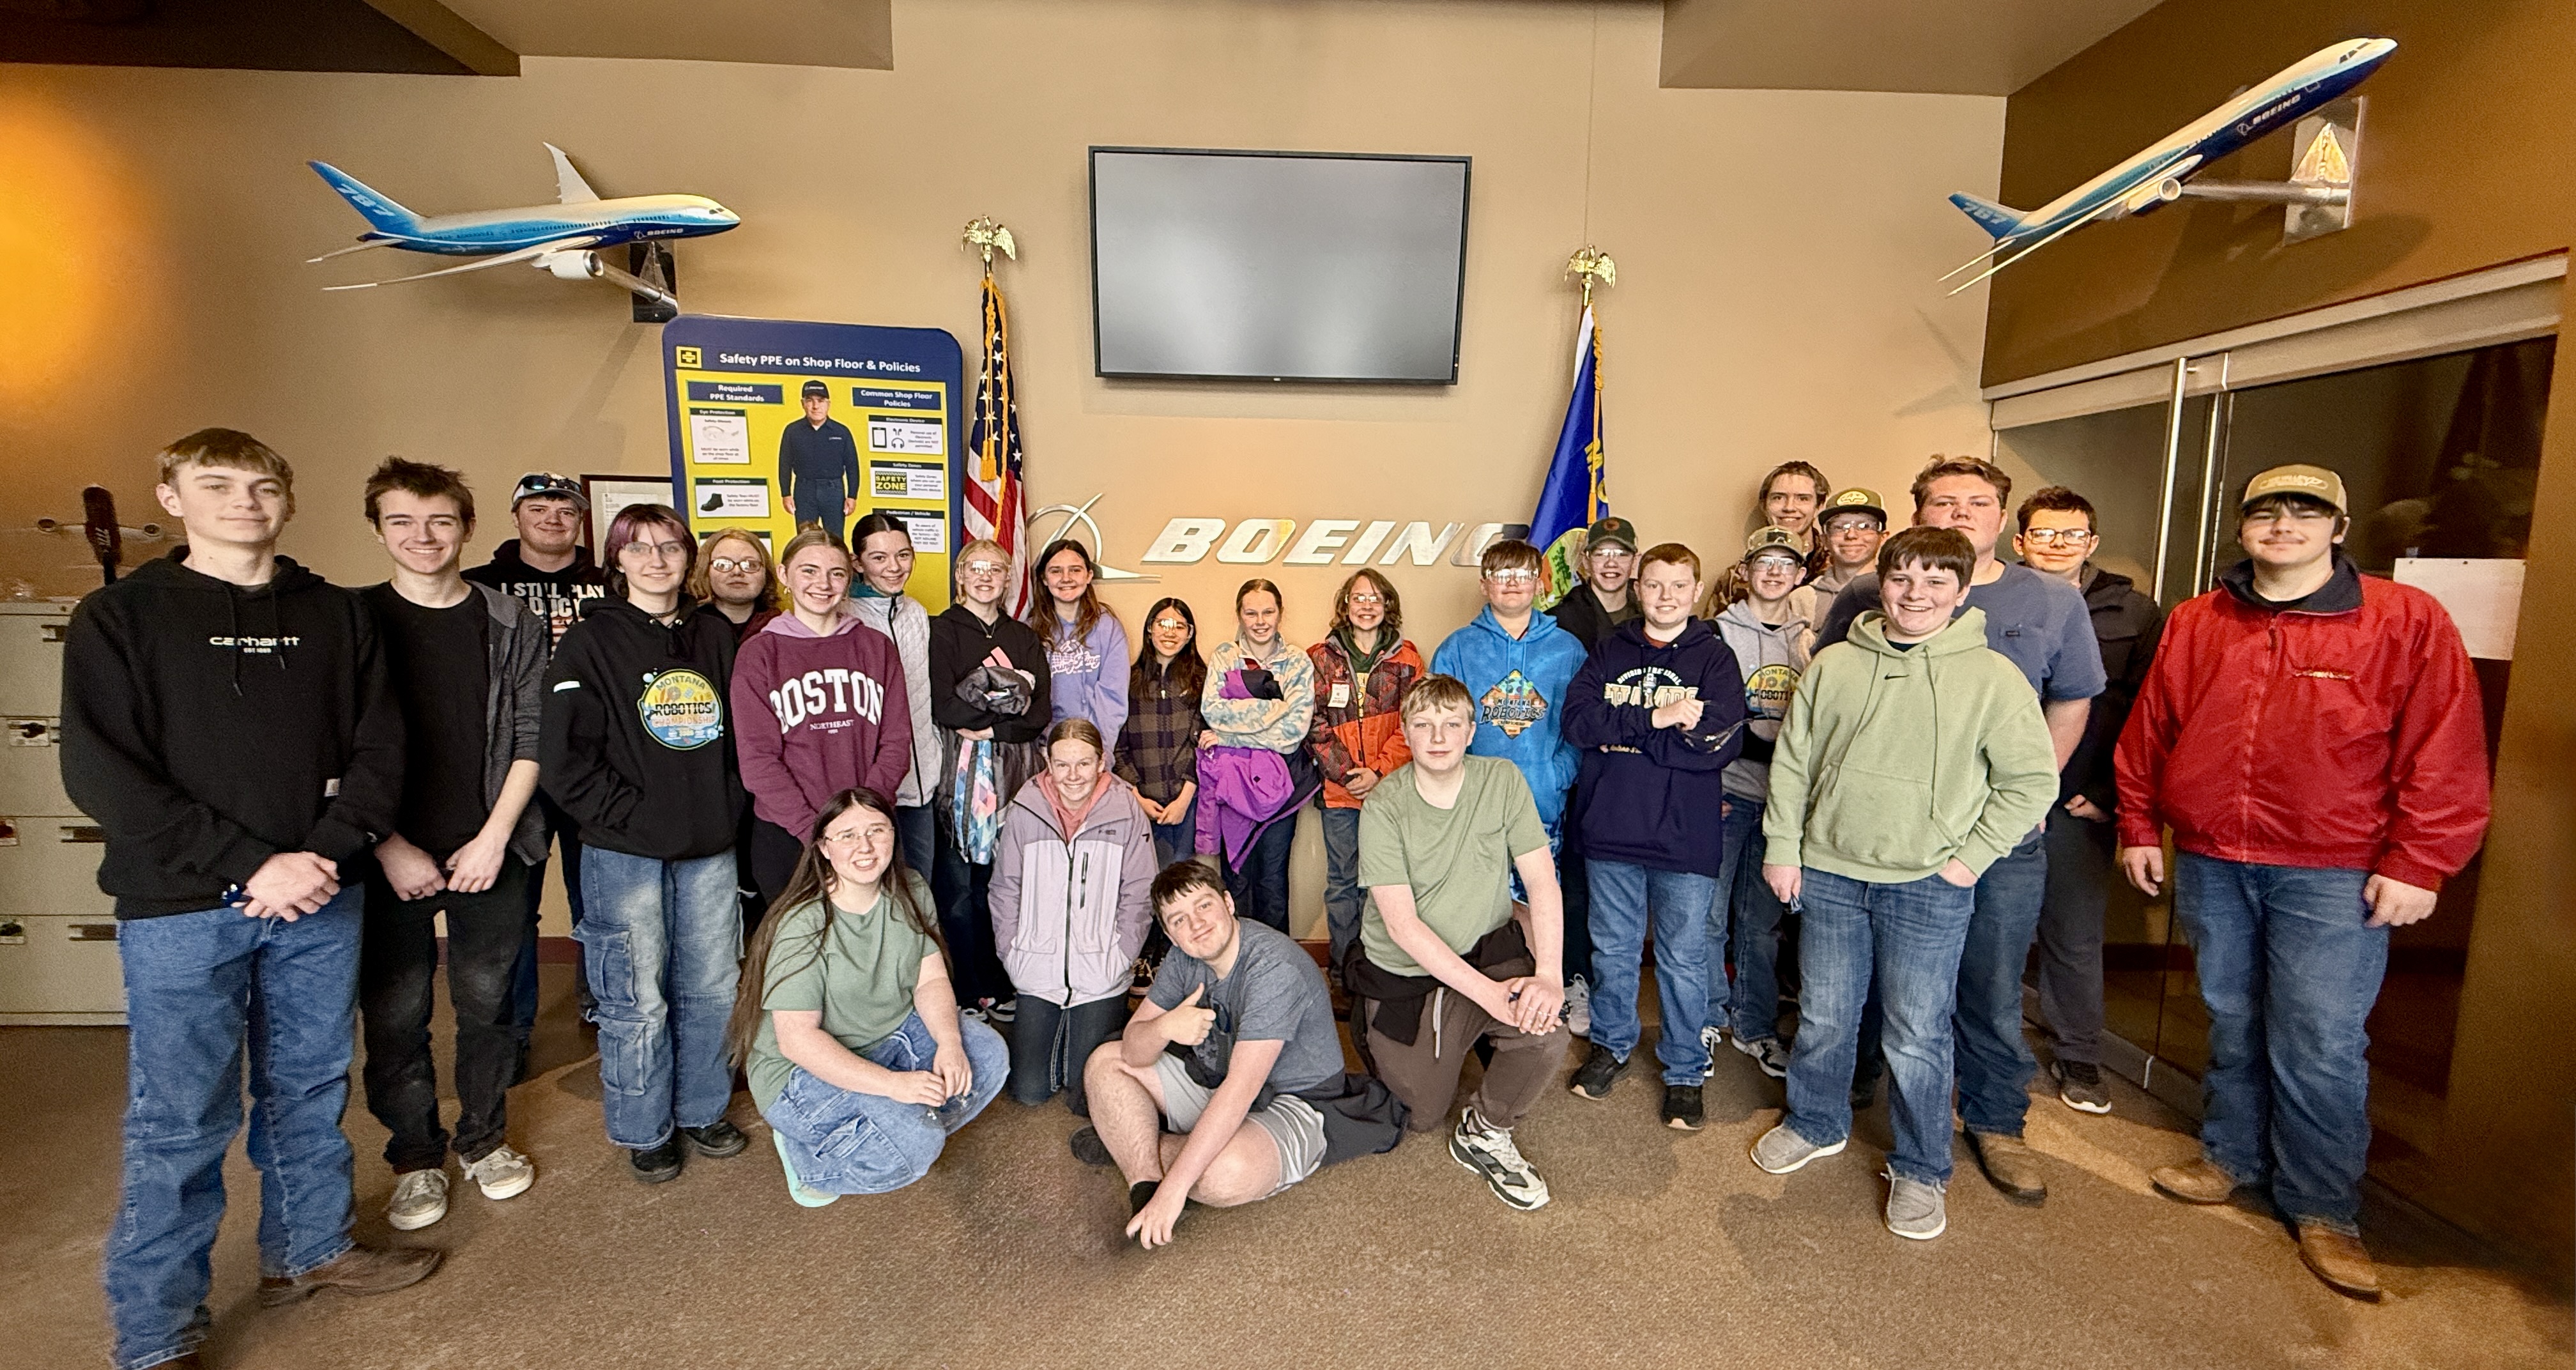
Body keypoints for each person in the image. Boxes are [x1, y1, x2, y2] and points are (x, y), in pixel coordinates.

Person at [63, 429, 434, 1370]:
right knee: (180, 1115)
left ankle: (309, 1249)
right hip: (182, 906)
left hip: (321, 896)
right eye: (218, 484)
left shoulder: (335, 614)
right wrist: (252, 865)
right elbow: (105, 774)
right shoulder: (121, 615)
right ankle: (157, 1331)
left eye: (264, 486)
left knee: (309, 1085)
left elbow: (381, 750)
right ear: (172, 496)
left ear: (288, 499)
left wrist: (321, 855)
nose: (244, 502)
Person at [2116, 465, 2490, 1300]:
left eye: (2306, 511)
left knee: (2320, 1037)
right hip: (2215, 854)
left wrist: (2420, 859)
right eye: (2267, 511)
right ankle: (2231, 1156)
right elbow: (2153, 729)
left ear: (2339, 527)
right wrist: (2139, 824)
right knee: (2232, 1014)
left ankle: (2323, 1205)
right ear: (2243, 526)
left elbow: (2446, 744)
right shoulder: (2200, 620)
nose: (2284, 524)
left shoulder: (2404, 619)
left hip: (2334, 868)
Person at [1750, 527, 2058, 1242]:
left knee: (1917, 1032)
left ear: (1961, 591)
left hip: (1929, 882)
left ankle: (1921, 1166)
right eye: (1903, 579)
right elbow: (1794, 762)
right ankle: (1815, 1121)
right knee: (1826, 1016)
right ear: (1881, 583)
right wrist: (1784, 848)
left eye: (1936, 582)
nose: (1916, 594)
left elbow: (2030, 782)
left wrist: (1969, 859)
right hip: (1830, 871)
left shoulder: (1992, 678)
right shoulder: (1835, 665)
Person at [1813, 456, 2103, 1205]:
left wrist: (2027, 796)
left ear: (2003, 518)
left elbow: (2071, 699)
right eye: (1943, 502)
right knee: (1870, 983)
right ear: (1917, 517)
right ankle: (1851, 1094)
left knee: (1990, 980)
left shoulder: (2052, 598)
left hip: (1997, 836)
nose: (1960, 513)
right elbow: (1836, 693)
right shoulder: (1865, 592)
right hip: (1891, 833)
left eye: (1977, 502)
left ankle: (1996, 1119)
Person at [353, 459, 547, 1235]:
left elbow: (531, 735)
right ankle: (414, 1155)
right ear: (379, 530)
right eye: (402, 520)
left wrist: (495, 837)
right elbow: (332, 742)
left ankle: (484, 1138)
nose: (423, 536)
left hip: (490, 843)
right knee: (396, 1011)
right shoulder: (353, 618)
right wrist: (387, 844)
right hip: (386, 849)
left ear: (466, 527)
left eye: (440, 520)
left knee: (487, 1003)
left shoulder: (509, 620)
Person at [539, 502, 750, 1183]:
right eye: (640, 548)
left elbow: (743, 737)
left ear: (688, 558)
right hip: (623, 851)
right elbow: (563, 761)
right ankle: (644, 1126)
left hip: (709, 846)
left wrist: (725, 807)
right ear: (618, 560)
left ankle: (701, 1108)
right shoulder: (588, 641)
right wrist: (629, 815)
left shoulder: (714, 635)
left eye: (670, 547)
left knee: (712, 987)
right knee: (636, 997)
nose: (657, 560)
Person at [1078, 861, 1388, 1250]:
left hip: (1294, 1100)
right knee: (1104, 1063)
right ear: (1171, 936)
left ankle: (1130, 1143)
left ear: (1228, 903)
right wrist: (1164, 1028)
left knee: (1225, 1174)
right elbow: (1133, 1051)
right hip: (1215, 1079)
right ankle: (1143, 1182)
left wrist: (1175, 1191)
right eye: (1179, 920)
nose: (1196, 925)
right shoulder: (1183, 957)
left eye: (1204, 906)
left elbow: (1242, 1089)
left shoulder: (1274, 967)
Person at [1348, 675, 1568, 1210]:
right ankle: (1381, 1028)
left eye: (1452, 724)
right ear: (1406, 734)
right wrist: (1490, 997)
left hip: (1486, 952)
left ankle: (1486, 1128)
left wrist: (1549, 976)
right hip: (1406, 971)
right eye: (1424, 725)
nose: (1438, 737)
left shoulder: (1503, 780)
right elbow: (1403, 927)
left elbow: (1542, 882)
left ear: (1471, 732)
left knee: (1545, 1031)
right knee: (1420, 1114)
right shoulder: (1385, 805)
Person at [728, 788, 1008, 1205]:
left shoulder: (911, 888)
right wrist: (893, 1085)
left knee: (988, 1056)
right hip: (800, 1071)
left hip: (889, 1036)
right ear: (824, 848)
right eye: (847, 836)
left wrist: (950, 1043)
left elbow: (929, 980)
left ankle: (888, 1127)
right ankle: (811, 1158)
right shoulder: (802, 923)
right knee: (917, 1148)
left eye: (877, 831)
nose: (865, 846)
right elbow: (797, 1040)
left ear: (894, 834)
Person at [1562, 543, 1745, 1130]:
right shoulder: (1609, 650)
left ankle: (1685, 1069)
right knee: (1613, 950)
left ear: (1696, 592)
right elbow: (1578, 724)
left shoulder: (1715, 658)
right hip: (1610, 827)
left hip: (1684, 836)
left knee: (1683, 958)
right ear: (1638, 589)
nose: (1666, 596)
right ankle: (1612, 1045)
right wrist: (1658, 718)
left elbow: (1718, 743)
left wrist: (1626, 737)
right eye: (1655, 585)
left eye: (1678, 586)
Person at [2013, 486, 2163, 1114]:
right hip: (2000, 796)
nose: (2057, 545)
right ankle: (1994, 1048)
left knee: (2073, 934)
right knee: (1992, 931)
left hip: (2081, 801)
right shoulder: (1994, 597)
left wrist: (2109, 794)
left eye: (2071, 534)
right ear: (2020, 541)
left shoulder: (2134, 611)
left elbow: (2151, 710)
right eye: (2044, 533)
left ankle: (2078, 1054)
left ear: (2092, 542)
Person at [465, 472, 607, 1061]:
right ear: (517, 515)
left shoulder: (611, 584)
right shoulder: (480, 586)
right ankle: (514, 1029)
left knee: (597, 895)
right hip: (511, 762)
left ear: (581, 520)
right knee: (513, 902)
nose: (553, 518)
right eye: (539, 507)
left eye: (566, 509)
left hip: (593, 760)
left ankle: (602, 1009)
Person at [1431, 538, 1589, 1016]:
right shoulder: (1458, 648)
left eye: (1522, 575)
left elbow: (1580, 727)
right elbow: (1439, 725)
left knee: (1538, 903)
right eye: (1502, 576)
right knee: (1475, 907)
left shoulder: (1567, 649)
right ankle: (1478, 1005)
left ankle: (1543, 999)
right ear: (1485, 585)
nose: (1513, 585)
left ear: (1540, 583)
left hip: (1541, 804)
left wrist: (1557, 774)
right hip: (1473, 807)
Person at [730, 528, 911, 912]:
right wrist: (814, 831)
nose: (823, 584)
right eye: (809, 571)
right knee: (798, 946)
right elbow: (758, 760)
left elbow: (896, 743)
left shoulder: (876, 647)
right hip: (788, 836)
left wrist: (861, 824)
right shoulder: (760, 653)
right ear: (784, 574)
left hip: (866, 837)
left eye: (836, 573)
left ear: (849, 579)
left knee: (869, 940)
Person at [990, 720, 1157, 1113]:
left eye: (1084, 764)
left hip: (1101, 971)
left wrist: (1120, 957)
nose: (1073, 776)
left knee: (1085, 1094)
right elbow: (1005, 888)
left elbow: (1140, 892)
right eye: (1062, 764)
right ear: (1047, 763)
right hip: (1036, 968)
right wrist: (1013, 954)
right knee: (1029, 1090)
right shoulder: (1024, 809)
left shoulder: (1127, 811)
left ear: (1101, 762)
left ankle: (1079, 1030)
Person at [928, 537, 1052, 1022]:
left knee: (1007, 884)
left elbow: (1037, 714)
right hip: (958, 776)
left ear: (1006, 578)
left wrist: (989, 725)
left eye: (995, 569)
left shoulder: (1023, 637)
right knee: (960, 889)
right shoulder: (942, 631)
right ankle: (966, 989)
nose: (985, 577)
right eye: (975, 568)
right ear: (960, 576)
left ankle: (1002, 982)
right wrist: (1006, 701)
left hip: (1014, 771)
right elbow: (944, 703)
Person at [1706, 527, 1815, 1079]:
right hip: (1726, 794)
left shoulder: (1811, 643)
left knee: (1762, 924)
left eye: (1786, 564)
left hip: (1782, 806)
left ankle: (1754, 1026)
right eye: (1764, 562)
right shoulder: (1714, 635)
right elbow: (1707, 720)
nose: (1774, 573)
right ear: (1745, 572)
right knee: (1707, 919)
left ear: (1800, 575)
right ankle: (1704, 1021)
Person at [1542, 514, 1638, 1031]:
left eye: (1621, 553)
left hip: (1638, 776)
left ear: (1634, 561)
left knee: (1624, 887)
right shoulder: (1558, 620)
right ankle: (1575, 978)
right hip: (1580, 771)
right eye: (1602, 553)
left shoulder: (1654, 615)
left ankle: (1617, 991)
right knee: (1576, 883)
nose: (1611, 563)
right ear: (1585, 561)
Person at [1307, 568, 1424, 967]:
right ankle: (1345, 969)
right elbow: (1312, 723)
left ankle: (1379, 968)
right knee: (1342, 882)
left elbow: (1413, 723)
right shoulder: (1319, 658)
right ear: (1345, 604)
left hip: (1389, 791)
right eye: (1359, 598)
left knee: (1385, 882)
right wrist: (1348, 775)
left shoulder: (1407, 660)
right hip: (1339, 795)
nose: (1367, 606)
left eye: (1376, 598)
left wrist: (1378, 773)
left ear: (1388, 605)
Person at [1198, 578, 1317, 934]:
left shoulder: (1297, 661)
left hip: (1282, 787)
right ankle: (1236, 958)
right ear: (1240, 615)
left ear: (1280, 613)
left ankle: (1275, 960)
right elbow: (1213, 711)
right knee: (1235, 877)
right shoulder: (1225, 656)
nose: (1260, 621)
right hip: (1233, 785)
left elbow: (1293, 733)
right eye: (1251, 613)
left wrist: (1231, 736)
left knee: (1272, 880)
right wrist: (1275, 708)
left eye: (1268, 612)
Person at [847, 512, 942, 877]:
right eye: (879, 557)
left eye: (903, 555)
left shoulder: (916, 613)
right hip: (870, 790)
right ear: (858, 563)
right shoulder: (843, 617)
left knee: (919, 887)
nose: (894, 567)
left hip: (920, 786)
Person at [1116, 596, 1206, 866]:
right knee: (1143, 879)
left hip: (1187, 803)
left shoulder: (1201, 680)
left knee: (1181, 878)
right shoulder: (1128, 681)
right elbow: (1117, 747)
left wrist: (1184, 801)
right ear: (1150, 629)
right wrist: (1137, 798)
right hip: (1139, 802)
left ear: (1189, 634)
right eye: (1163, 624)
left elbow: (1203, 746)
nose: (1170, 632)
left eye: (1179, 626)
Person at [1028, 538, 1130, 757]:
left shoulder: (1108, 627)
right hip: (1044, 752)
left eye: (1075, 570)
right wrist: (1047, 752)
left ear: (1089, 575)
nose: (1066, 578)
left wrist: (1095, 752)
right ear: (1044, 578)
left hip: (1094, 748)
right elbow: (1029, 700)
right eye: (1056, 571)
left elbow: (1112, 700)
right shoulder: (1029, 632)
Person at [777, 379, 860, 546]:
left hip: (833, 491)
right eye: (810, 401)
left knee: (836, 540)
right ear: (803, 404)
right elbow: (784, 464)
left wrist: (852, 496)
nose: (816, 406)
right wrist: (786, 494)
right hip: (804, 490)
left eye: (821, 401)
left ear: (828, 404)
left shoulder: (841, 432)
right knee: (805, 540)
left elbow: (852, 466)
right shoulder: (792, 431)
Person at [690, 526, 782, 640]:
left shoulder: (784, 630)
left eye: (750, 565)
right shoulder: (687, 630)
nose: (737, 572)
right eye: (723, 564)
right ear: (705, 571)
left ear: (766, 573)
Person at [1756, 460, 1831, 560]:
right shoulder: (1748, 568)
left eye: (1803, 499)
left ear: (1819, 507)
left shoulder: (1838, 564)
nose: (1789, 508)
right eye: (1778, 498)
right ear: (1764, 506)